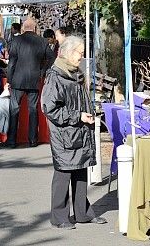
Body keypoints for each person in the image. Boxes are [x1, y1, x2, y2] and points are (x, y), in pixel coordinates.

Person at [41, 35, 107, 229]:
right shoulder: (56, 75)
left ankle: (83, 213)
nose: (82, 57)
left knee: (80, 172)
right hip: (65, 133)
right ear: (69, 53)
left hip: (79, 130)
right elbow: (50, 108)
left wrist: (86, 115)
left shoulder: (74, 73)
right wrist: (77, 116)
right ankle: (60, 216)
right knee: (63, 175)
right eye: (80, 53)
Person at [6, 17, 55, 148]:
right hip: (34, 79)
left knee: (14, 109)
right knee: (33, 110)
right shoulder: (42, 41)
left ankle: (11, 140)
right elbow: (51, 58)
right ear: (35, 28)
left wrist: (9, 79)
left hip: (18, 79)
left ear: (23, 28)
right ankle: (33, 140)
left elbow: (11, 63)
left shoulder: (16, 40)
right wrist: (42, 71)